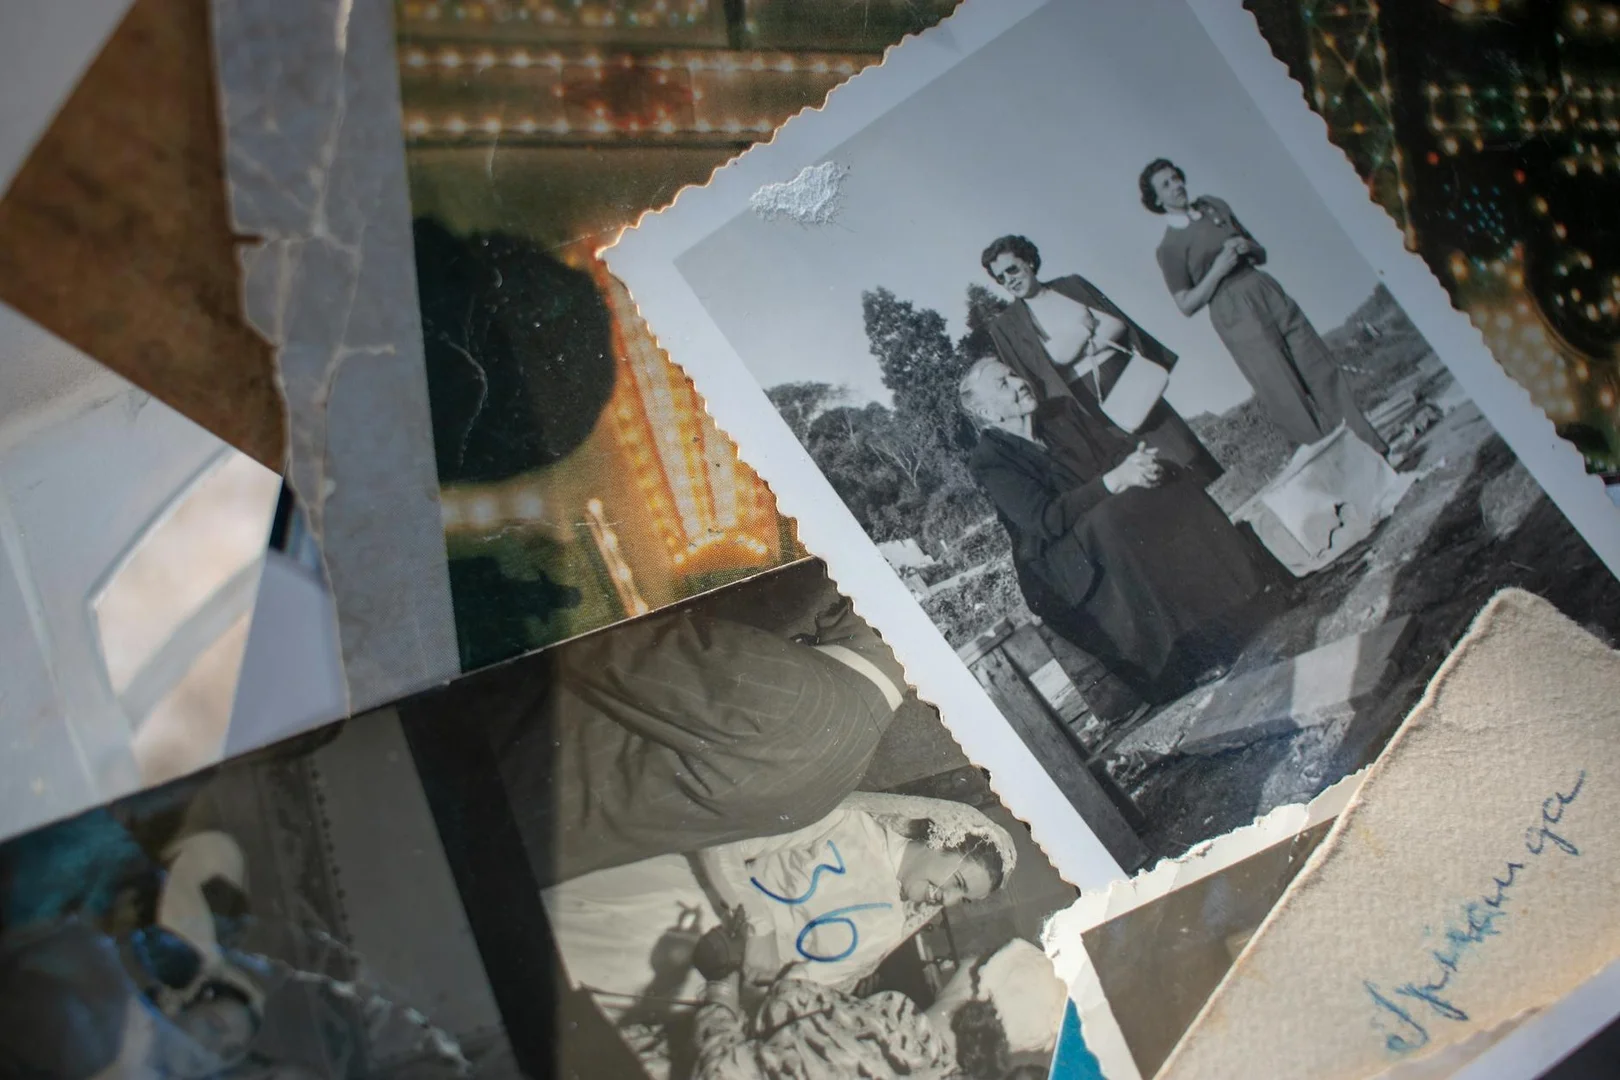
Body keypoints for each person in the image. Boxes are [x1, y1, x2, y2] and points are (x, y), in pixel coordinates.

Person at [417, 581, 913, 888]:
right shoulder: (846, 775)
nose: (842, 588)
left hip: (475, 768)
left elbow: (589, 646)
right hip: (516, 853)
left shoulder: (790, 687)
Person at [539, 791, 1017, 1064]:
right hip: (681, 915)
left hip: (711, 995)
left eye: (961, 899)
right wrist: (758, 924)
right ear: (943, 840)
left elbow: (812, 992)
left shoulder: (890, 927)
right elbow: (725, 843)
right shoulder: (846, 824)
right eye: (956, 883)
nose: (944, 900)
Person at [961, 358, 1280, 704]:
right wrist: (1113, 481)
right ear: (986, 412)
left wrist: (1139, 464)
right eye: (1003, 384)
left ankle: (1249, 593)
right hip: (1059, 561)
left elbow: (1116, 452)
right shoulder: (991, 459)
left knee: (1167, 475)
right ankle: (1186, 659)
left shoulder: (1061, 412)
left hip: (1107, 519)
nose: (1018, 381)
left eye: (1013, 373)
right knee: (1112, 520)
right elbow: (1045, 519)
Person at [1140, 158, 1388, 455]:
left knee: (1322, 371)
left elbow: (1261, 253)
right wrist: (1218, 269)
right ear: (1157, 200)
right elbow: (1185, 304)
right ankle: (1341, 470)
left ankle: (1376, 453)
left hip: (1263, 287)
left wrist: (1247, 247)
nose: (1176, 186)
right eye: (1166, 185)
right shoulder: (1169, 247)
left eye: (1176, 177)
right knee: (1285, 395)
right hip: (1231, 309)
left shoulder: (1213, 206)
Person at [979, 234, 1222, 489]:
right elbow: (1053, 360)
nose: (1009, 280)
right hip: (1084, 400)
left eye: (1012, 269)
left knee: (1176, 441)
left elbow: (1116, 324)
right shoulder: (1007, 326)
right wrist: (1085, 328)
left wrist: (1071, 346)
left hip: (1124, 375)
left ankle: (1220, 493)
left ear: (1028, 261)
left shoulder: (1071, 285)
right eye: (1001, 278)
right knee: (1135, 461)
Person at [688, 921, 1058, 1080]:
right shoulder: (926, 1061)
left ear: (979, 988)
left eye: (976, 958)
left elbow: (721, 1074)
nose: (963, 961)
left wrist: (722, 985)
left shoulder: (886, 1040)